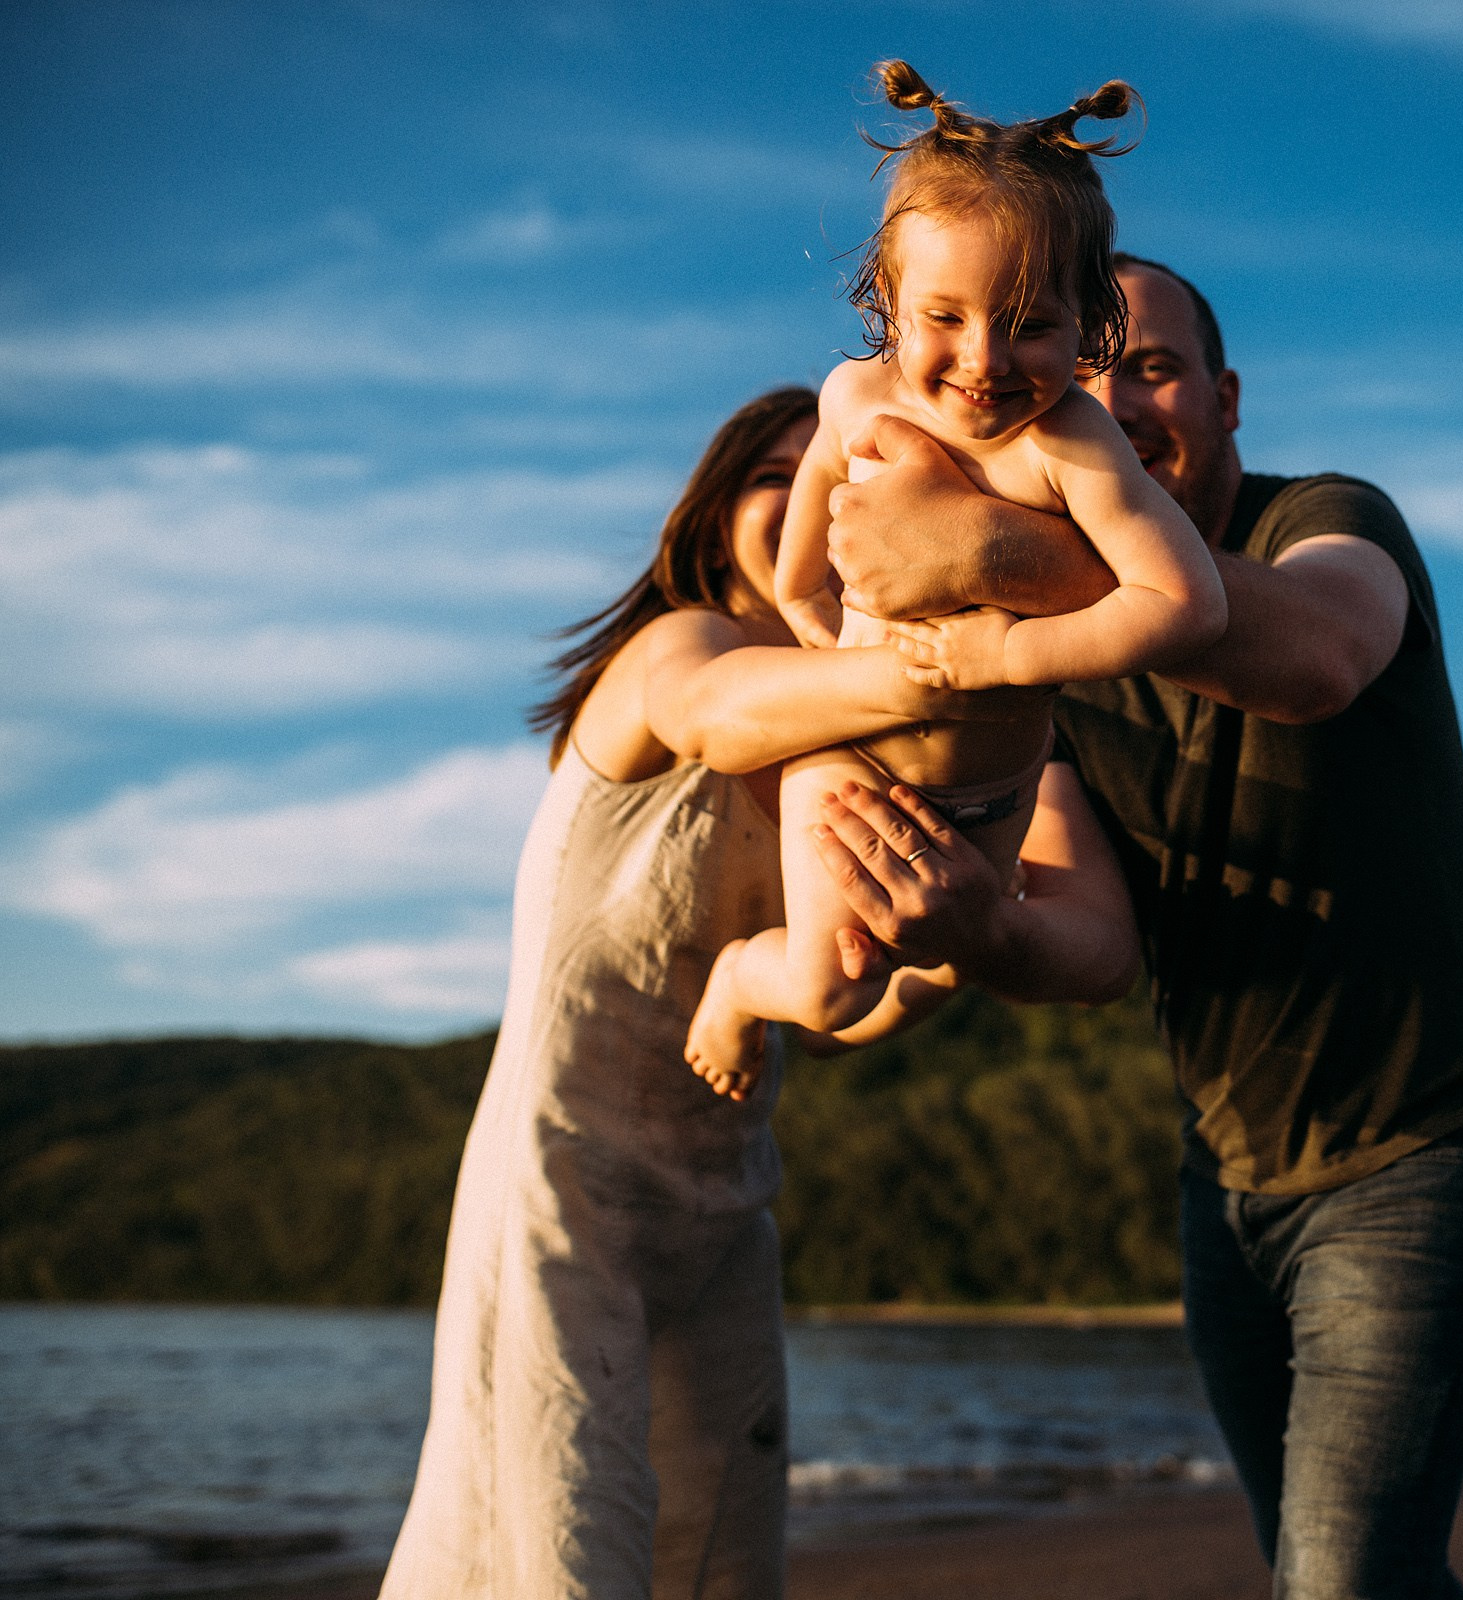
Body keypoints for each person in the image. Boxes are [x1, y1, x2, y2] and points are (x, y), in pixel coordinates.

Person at [801, 256, 1463, 1598]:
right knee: (1326, 1572)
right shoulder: (1047, 673)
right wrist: (982, 926)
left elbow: (1320, 652)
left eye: (1149, 364)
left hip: (1426, 1140)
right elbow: (1089, 936)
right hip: (1228, 1174)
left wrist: (986, 553)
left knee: (1340, 1585)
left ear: (1225, 394)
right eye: (1086, 369)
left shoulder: (1324, 521)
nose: (1119, 397)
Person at [380, 385, 1137, 1600]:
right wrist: (963, 669)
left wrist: (950, 936)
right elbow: (717, 716)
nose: (826, 493)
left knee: (721, 1568)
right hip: (560, 1193)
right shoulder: (679, 647)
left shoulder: (877, 756)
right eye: (782, 476)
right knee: (560, 1557)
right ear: (716, 512)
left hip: (727, 1208)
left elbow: (847, 1016)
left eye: (847, 473)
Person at [683, 62, 1223, 1088]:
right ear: (887, 300)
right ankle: (739, 980)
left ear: (1091, 320)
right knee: (834, 985)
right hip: (852, 771)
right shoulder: (851, 402)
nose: (985, 359)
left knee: (932, 957)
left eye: (1032, 324)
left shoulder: (1072, 444)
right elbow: (802, 575)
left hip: (996, 792)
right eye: (947, 317)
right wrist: (846, 664)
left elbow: (1187, 604)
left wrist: (1010, 648)